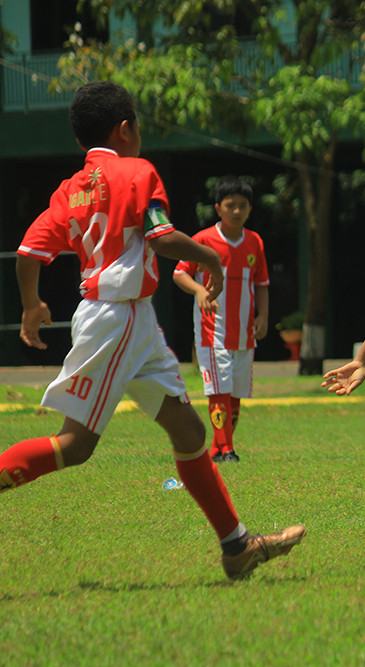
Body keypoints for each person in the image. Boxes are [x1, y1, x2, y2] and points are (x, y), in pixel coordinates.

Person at [5, 81, 303, 580]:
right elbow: (162, 237)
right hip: (117, 317)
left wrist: (31, 303)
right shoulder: (139, 171)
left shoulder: (70, 188)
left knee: (189, 432)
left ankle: (236, 547)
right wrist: (209, 256)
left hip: (130, 319)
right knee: (75, 446)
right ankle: (237, 545)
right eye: (138, 123)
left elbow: (28, 252)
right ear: (126, 130)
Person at [173, 176, 269, 463]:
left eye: (242, 206)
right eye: (230, 205)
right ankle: (226, 450)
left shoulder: (255, 242)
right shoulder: (202, 240)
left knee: (235, 391)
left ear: (250, 209)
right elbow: (179, 273)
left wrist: (263, 315)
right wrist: (200, 289)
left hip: (243, 331)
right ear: (218, 208)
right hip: (211, 328)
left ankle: (219, 448)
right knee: (219, 387)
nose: (236, 211)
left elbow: (262, 283)